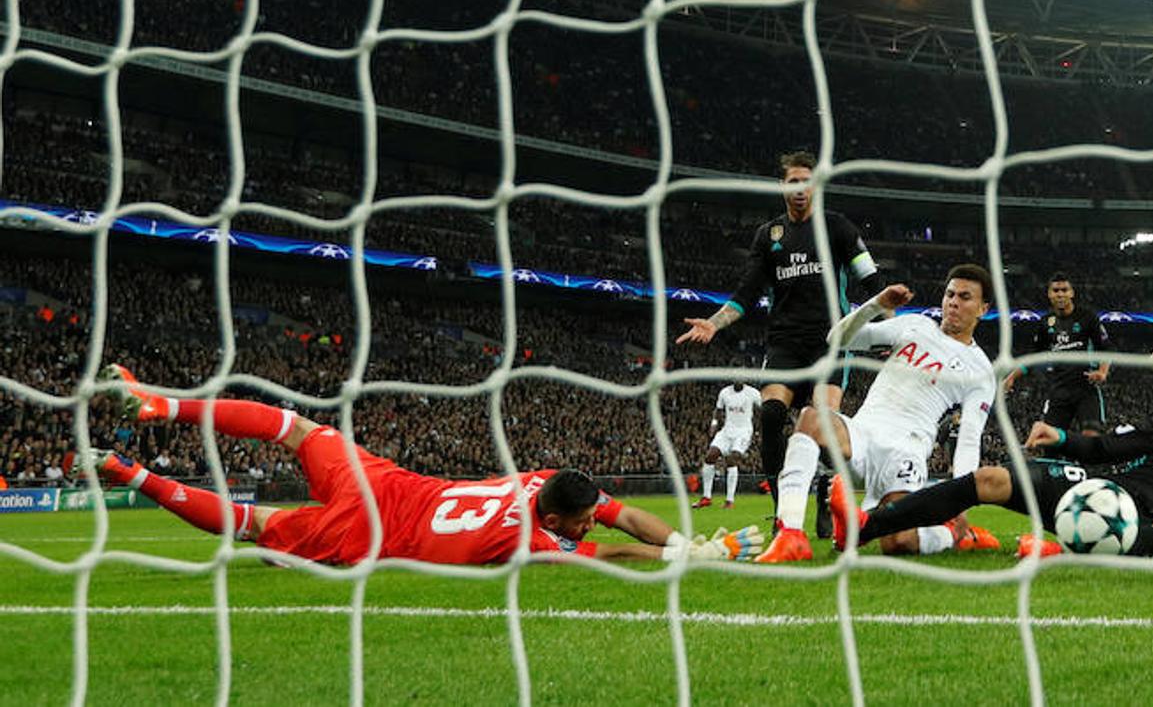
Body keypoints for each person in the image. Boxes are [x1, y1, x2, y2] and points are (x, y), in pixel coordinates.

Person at [90, 365, 763, 565]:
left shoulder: (540, 481)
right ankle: (127, 473)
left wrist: (676, 537)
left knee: (292, 426)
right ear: (557, 519)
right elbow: (614, 556)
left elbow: (627, 516)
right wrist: (687, 557)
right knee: (252, 523)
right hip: (373, 535)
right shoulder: (529, 540)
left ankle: (160, 405)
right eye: (587, 520)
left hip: (384, 482)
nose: (600, 523)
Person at [834, 398, 1153, 558]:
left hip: (1135, 527)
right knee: (989, 478)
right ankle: (866, 527)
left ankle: (1081, 548)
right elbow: (1102, 449)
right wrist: (1060, 435)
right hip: (1091, 493)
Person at [675, 150, 880, 524]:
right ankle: (782, 514)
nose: (800, 189)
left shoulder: (838, 228)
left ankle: (825, 491)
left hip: (830, 341)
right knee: (770, 414)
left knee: (823, 423)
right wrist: (714, 323)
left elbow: (871, 279)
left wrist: (894, 324)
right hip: (784, 342)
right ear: (782, 186)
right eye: (793, 182)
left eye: (807, 181)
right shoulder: (768, 235)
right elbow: (746, 293)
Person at [756, 265, 1001, 562]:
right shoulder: (915, 325)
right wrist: (876, 306)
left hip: (906, 452)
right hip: (863, 434)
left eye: (965, 297)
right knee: (810, 418)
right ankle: (791, 534)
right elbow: (838, 339)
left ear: (983, 308)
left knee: (897, 543)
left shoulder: (981, 370)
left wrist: (961, 500)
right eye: (950, 294)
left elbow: (969, 439)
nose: (953, 302)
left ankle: (958, 535)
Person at [1007, 272, 1111, 444]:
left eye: (1064, 290)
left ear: (1072, 293)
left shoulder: (1088, 317)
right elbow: (1034, 357)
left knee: (1092, 438)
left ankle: (1091, 470)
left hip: (1085, 388)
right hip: (1059, 391)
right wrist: (1011, 377)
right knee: (1048, 442)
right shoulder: (1045, 322)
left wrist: (1102, 371)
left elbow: (1106, 349)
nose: (1060, 294)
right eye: (1056, 290)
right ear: (1049, 294)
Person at [694, 381, 761, 509]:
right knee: (710, 456)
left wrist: (760, 427)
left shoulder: (752, 393)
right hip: (726, 431)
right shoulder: (725, 392)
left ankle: (729, 501)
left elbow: (764, 407)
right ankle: (706, 498)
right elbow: (718, 410)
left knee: (731, 459)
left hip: (743, 432)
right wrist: (714, 423)